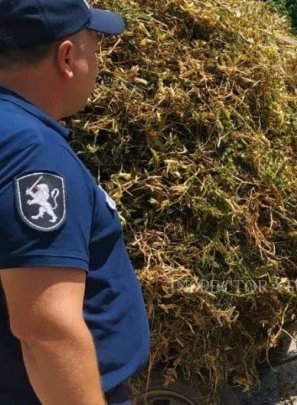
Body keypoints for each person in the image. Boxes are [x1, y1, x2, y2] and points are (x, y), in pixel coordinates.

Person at [0, 1, 150, 404]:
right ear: (67, 57)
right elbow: (46, 327)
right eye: (94, 46)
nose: (97, 60)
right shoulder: (34, 152)